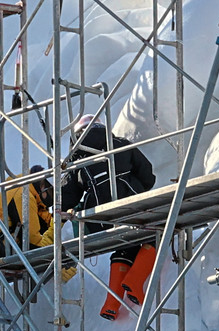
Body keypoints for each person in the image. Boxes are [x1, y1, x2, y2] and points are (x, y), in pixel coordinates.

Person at [60, 117, 158, 319]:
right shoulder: (120, 144)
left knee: (126, 244)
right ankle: (135, 281)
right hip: (133, 207)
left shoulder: (76, 159)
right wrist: (136, 190)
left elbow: (65, 197)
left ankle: (111, 304)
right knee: (156, 233)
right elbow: (148, 175)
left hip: (100, 219)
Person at [0, 165, 74, 280]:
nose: (52, 200)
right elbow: (34, 245)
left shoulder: (36, 204)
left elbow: (42, 237)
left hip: (0, 241)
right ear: (43, 186)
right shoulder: (24, 194)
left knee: (1, 254)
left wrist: (58, 222)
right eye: (52, 194)